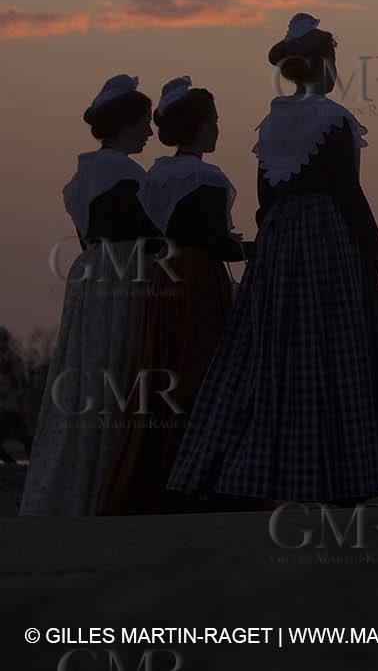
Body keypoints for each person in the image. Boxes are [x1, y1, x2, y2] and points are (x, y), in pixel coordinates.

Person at [168, 13, 378, 504]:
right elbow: (348, 193)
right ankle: (344, 477)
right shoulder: (332, 119)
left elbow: (265, 200)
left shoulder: (273, 121)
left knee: (275, 356)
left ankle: (257, 474)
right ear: (322, 65)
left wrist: (272, 247)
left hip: (281, 239)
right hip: (327, 242)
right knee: (336, 353)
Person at [99, 77, 250, 514]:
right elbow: (216, 244)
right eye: (215, 121)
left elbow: (165, 232)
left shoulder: (158, 176)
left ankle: (155, 474)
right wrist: (255, 248)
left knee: (161, 368)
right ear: (201, 126)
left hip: (161, 277)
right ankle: (207, 481)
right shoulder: (205, 177)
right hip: (198, 280)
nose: (219, 129)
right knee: (201, 367)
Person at [22, 76, 157, 516]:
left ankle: (80, 480)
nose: (149, 133)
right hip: (123, 275)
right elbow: (148, 234)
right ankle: (108, 481)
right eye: (143, 124)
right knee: (118, 369)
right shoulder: (123, 173)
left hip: (90, 275)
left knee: (88, 374)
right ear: (124, 125)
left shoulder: (82, 175)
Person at [0, 327, 33, 468]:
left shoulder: (14, 360)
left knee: (24, 438)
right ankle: (12, 465)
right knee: (23, 437)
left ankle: (19, 465)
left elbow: (21, 384)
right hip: (4, 407)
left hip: (13, 407)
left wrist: (21, 405)